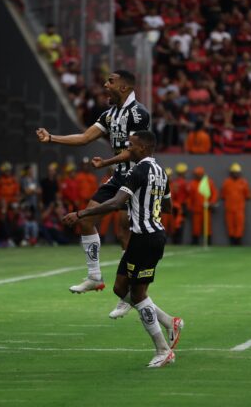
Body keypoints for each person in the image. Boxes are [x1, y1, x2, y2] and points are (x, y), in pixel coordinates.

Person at [63, 131, 183, 368]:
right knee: (120, 288)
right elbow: (168, 206)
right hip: (145, 237)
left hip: (146, 238)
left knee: (138, 295)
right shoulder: (161, 172)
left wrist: (81, 214)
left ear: (144, 148)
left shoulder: (137, 170)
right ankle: (170, 322)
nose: (129, 150)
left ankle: (163, 350)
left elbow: (117, 202)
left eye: (133, 146)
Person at [36, 70, 150, 297]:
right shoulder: (110, 114)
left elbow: (135, 151)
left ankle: (128, 293)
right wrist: (52, 138)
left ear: (124, 87)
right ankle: (95, 277)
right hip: (118, 175)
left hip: (136, 177)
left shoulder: (138, 114)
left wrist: (106, 161)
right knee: (87, 218)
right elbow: (85, 137)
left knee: (124, 232)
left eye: (111, 81)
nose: (105, 84)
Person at [221, 163, 251, 245]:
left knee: (239, 225)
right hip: (229, 208)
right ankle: (232, 240)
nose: (235, 174)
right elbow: (223, 195)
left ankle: (238, 240)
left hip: (239, 209)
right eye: (234, 172)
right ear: (231, 173)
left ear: (239, 173)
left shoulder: (244, 182)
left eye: (237, 172)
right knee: (230, 225)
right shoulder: (226, 182)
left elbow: (248, 195)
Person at [187, 166, 218, 245]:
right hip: (196, 209)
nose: (198, 176)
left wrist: (211, 203)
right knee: (196, 228)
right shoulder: (192, 183)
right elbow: (189, 197)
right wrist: (189, 207)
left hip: (206, 209)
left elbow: (214, 194)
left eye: (199, 174)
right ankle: (195, 242)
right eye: (196, 174)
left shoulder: (209, 182)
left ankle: (208, 242)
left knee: (207, 227)